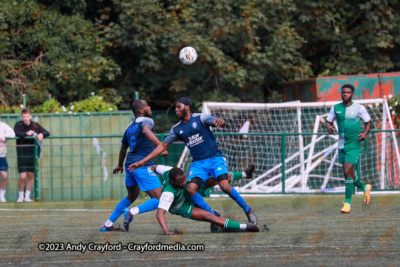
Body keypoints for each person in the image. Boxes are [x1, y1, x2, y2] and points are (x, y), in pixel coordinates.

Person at [128, 96, 258, 225]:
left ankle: (247, 210)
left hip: (215, 158)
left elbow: (216, 120)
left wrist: (220, 121)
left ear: (187, 107)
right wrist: (143, 161)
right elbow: (162, 146)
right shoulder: (177, 129)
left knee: (224, 185)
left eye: (179, 107)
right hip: (198, 164)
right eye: (175, 108)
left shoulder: (201, 118)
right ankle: (213, 216)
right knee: (190, 189)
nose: (176, 110)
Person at [125, 164, 258, 234]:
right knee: (210, 216)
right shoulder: (168, 194)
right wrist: (166, 232)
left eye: (184, 180)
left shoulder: (169, 171)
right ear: (171, 181)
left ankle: (245, 174)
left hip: (188, 193)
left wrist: (147, 167)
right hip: (183, 206)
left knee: (216, 179)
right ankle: (246, 226)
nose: (183, 183)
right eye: (180, 182)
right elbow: (160, 214)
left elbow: (154, 167)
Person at [100, 99, 168, 231]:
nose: (150, 108)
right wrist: (161, 146)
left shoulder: (129, 127)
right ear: (141, 110)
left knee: (131, 195)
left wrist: (120, 165)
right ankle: (132, 211)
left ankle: (107, 224)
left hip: (129, 165)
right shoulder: (147, 121)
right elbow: (146, 132)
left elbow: (123, 149)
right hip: (141, 165)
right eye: (147, 106)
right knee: (160, 199)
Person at [326, 84, 372, 213]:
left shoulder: (359, 108)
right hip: (341, 145)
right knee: (349, 174)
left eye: (348, 93)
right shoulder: (335, 108)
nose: (345, 94)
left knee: (347, 170)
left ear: (352, 94)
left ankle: (347, 204)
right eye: (343, 92)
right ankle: (365, 188)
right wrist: (329, 127)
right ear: (341, 94)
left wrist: (365, 133)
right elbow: (328, 121)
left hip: (354, 144)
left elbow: (368, 122)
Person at [14, 109, 50, 202]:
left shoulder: (35, 125)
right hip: (22, 153)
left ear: (30, 116)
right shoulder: (18, 125)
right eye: (23, 117)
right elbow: (17, 133)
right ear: (21, 117)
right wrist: (26, 133)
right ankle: (20, 196)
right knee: (22, 176)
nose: (25, 118)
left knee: (31, 175)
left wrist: (41, 134)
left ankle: (27, 197)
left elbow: (47, 132)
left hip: (33, 153)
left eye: (27, 116)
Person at [0, 117, 16, 202]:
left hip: (1, 155)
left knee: (4, 176)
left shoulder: (3, 126)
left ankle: (1, 196)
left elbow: (13, 134)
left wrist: (4, 137)